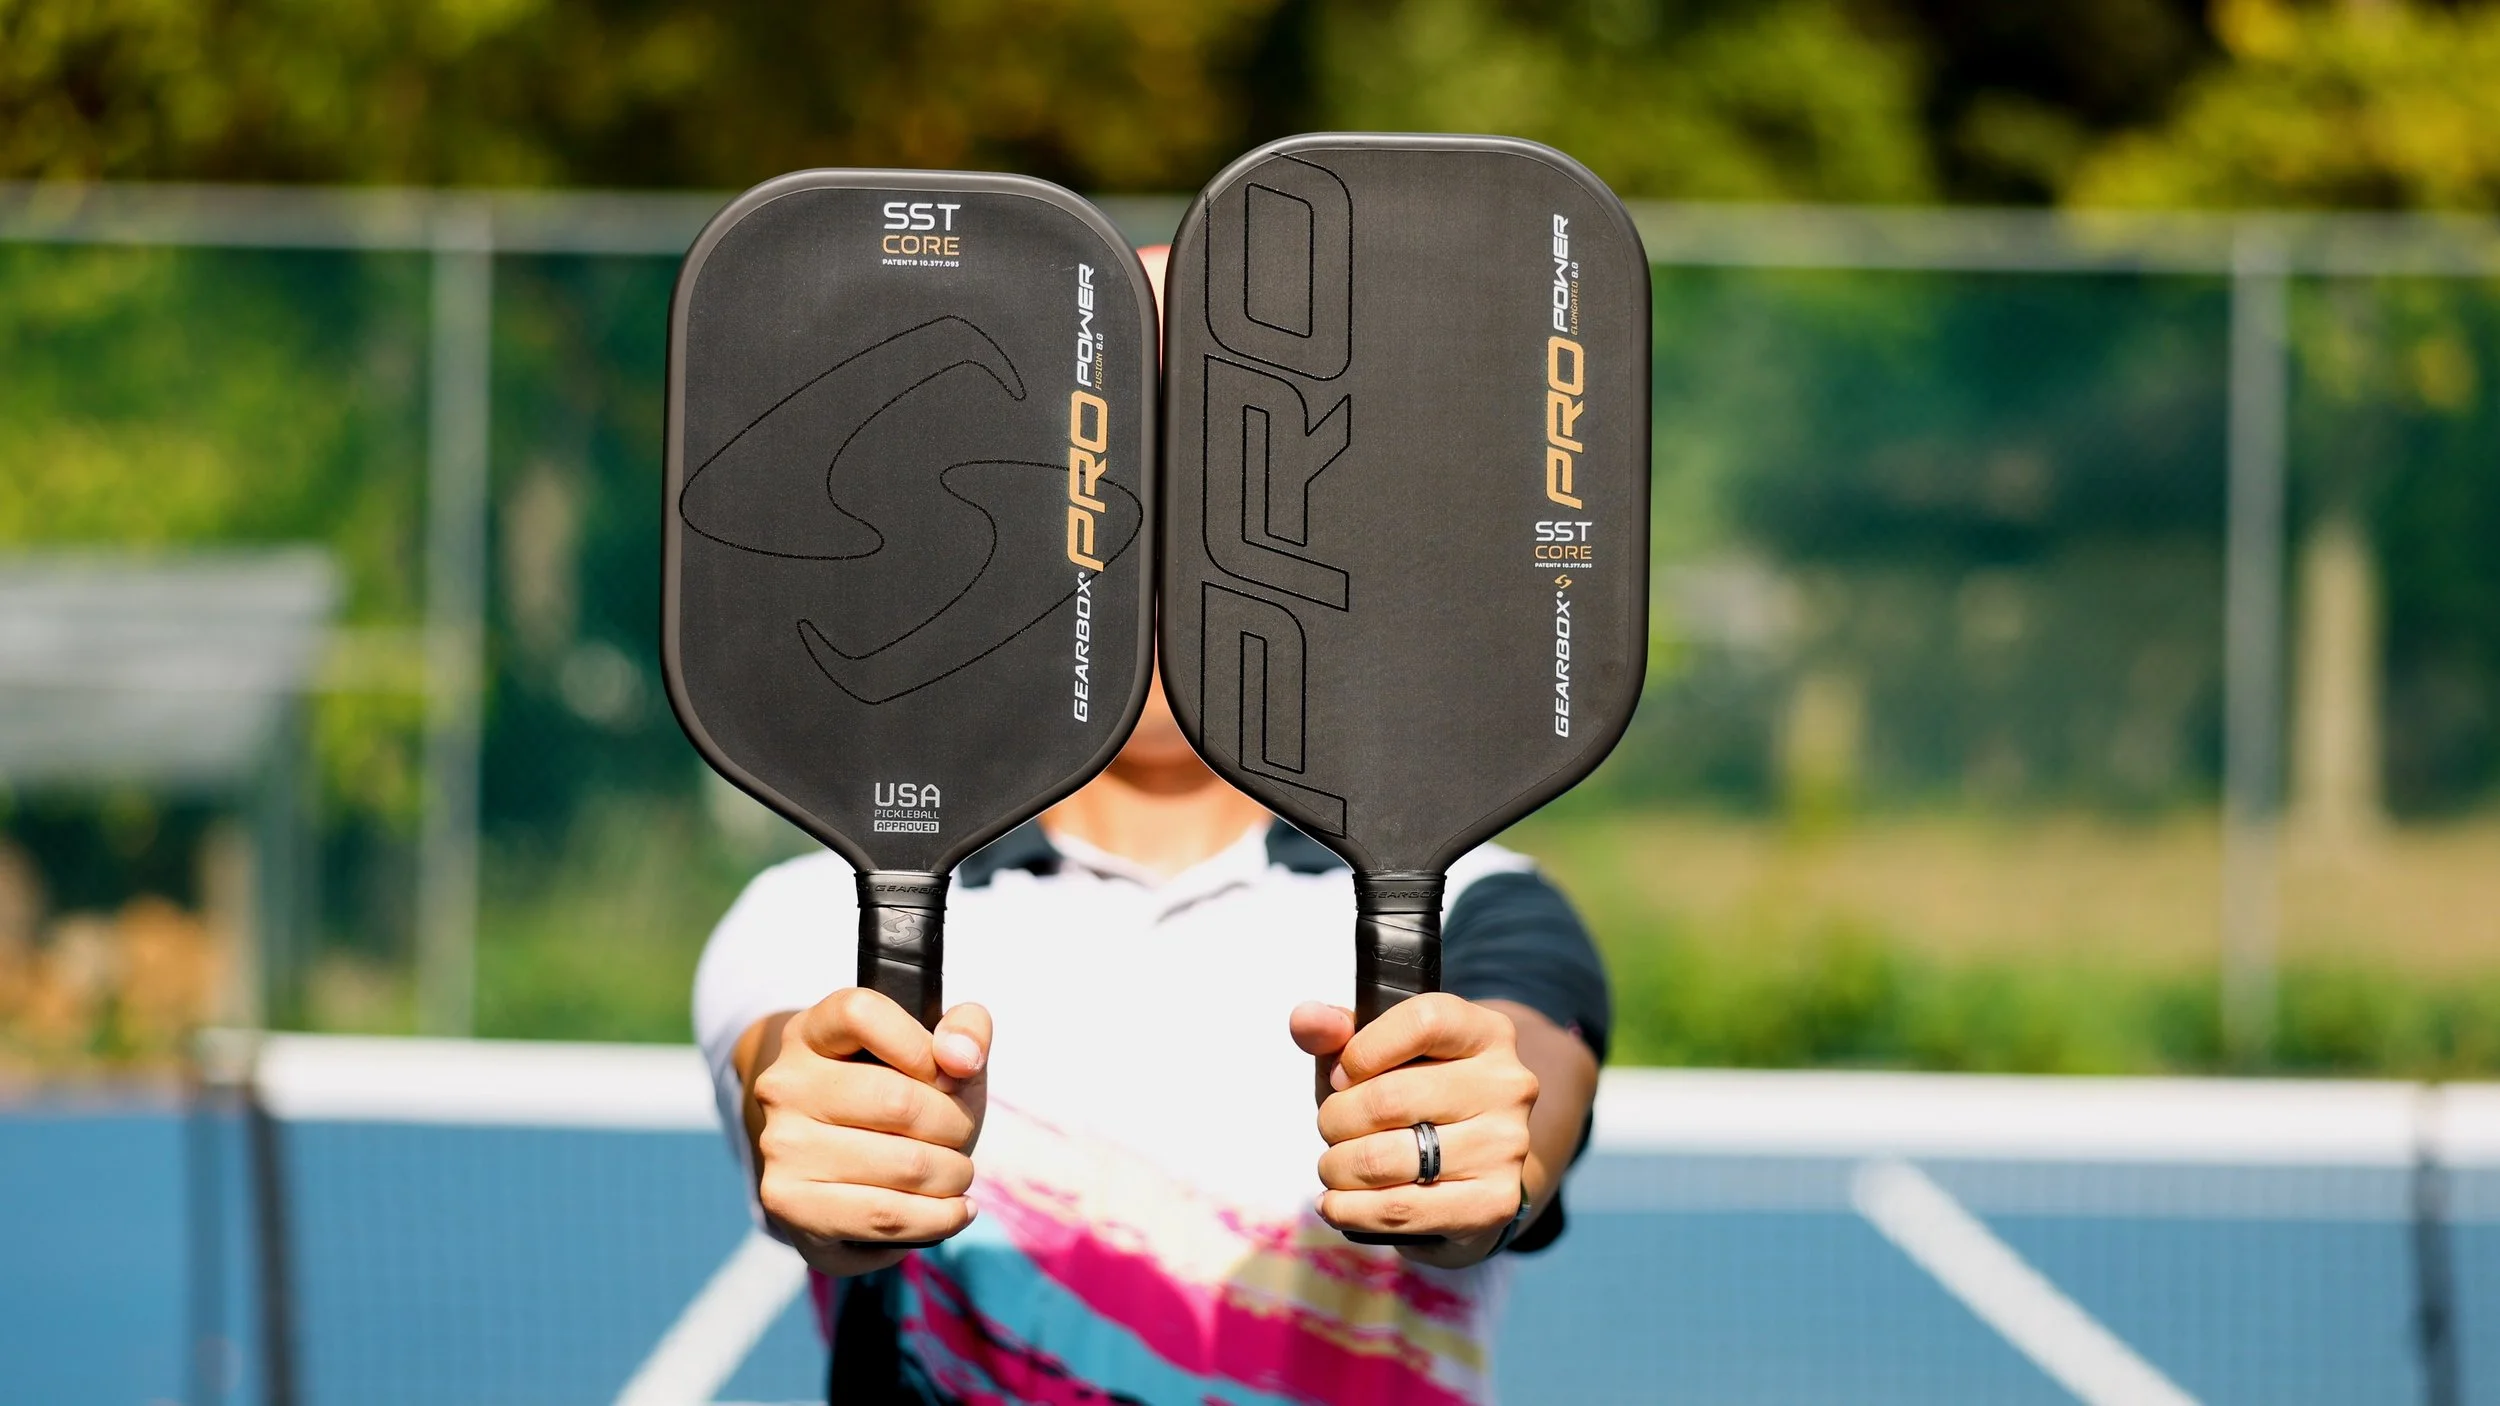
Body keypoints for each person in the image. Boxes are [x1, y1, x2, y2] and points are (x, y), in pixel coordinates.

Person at [692, 247, 1609, 1405]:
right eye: (1116, 450)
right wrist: (833, 1144)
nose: (1164, 529)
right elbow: (793, 1086)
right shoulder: (825, 906)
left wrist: (1471, 1158)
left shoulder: (1477, 899)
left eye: (1222, 463)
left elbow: (1521, 1096)